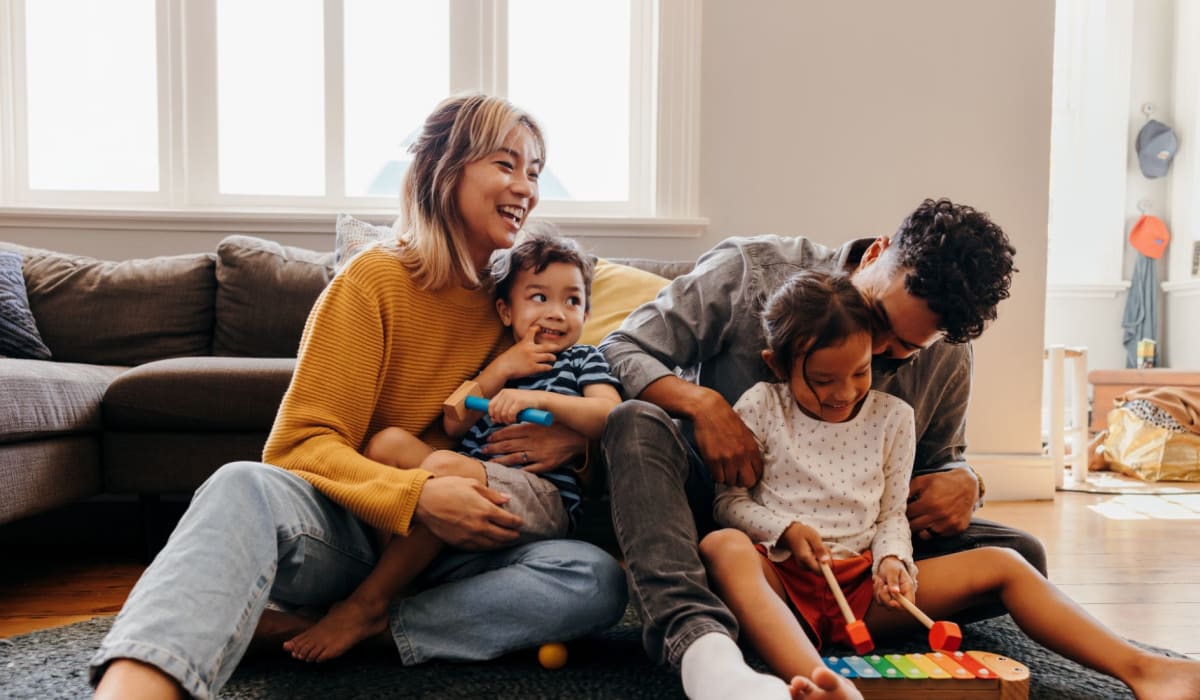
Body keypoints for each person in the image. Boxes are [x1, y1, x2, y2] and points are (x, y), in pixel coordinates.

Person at [90, 93, 627, 699]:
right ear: (444, 169)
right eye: (506, 164)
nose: (526, 187)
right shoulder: (373, 281)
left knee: (594, 579)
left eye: (533, 171)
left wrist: (573, 443)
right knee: (241, 485)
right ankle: (139, 684)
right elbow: (298, 445)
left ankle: (360, 626)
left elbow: (574, 401)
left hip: (460, 553)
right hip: (351, 534)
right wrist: (418, 497)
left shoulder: (518, 303)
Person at [598, 198, 1046, 700]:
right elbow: (620, 348)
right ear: (877, 252)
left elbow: (939, 459)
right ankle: (701, 639)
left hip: (847, 547)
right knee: (634, 422)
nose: (875, 354)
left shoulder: (948, 352)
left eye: (904, 351)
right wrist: (702, 405)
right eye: (878, 321)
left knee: (1021, 555)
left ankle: (789, 615)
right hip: (716, 512)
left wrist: (966, 481)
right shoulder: (750, 271)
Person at [700, 269, 1200, 700]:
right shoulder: (761, 406)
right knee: (722, 546)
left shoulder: (893, 417)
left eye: (859, 372)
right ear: (778, 365)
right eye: (823, 380)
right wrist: (785, 530)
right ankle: (817, 678)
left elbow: (892, 515)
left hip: (862, 588)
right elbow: (729, 502)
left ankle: (1148, 670)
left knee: (1006, 560)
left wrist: (892, 559)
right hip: (781, 582)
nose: (845, 393)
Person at [283, 226, 623, 662]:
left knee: (447, 470)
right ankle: (404, 587)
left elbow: (608, 415)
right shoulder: (497, 358)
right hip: (464, 489)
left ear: (586, 313)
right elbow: (454, 419)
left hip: (538, 495)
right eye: (539, 298)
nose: (556, 312)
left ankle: (370, 604)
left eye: (572, 300)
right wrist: (499, 371)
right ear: (505, 310)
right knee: (388, 443)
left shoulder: (583, 360)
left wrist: (538, 398)